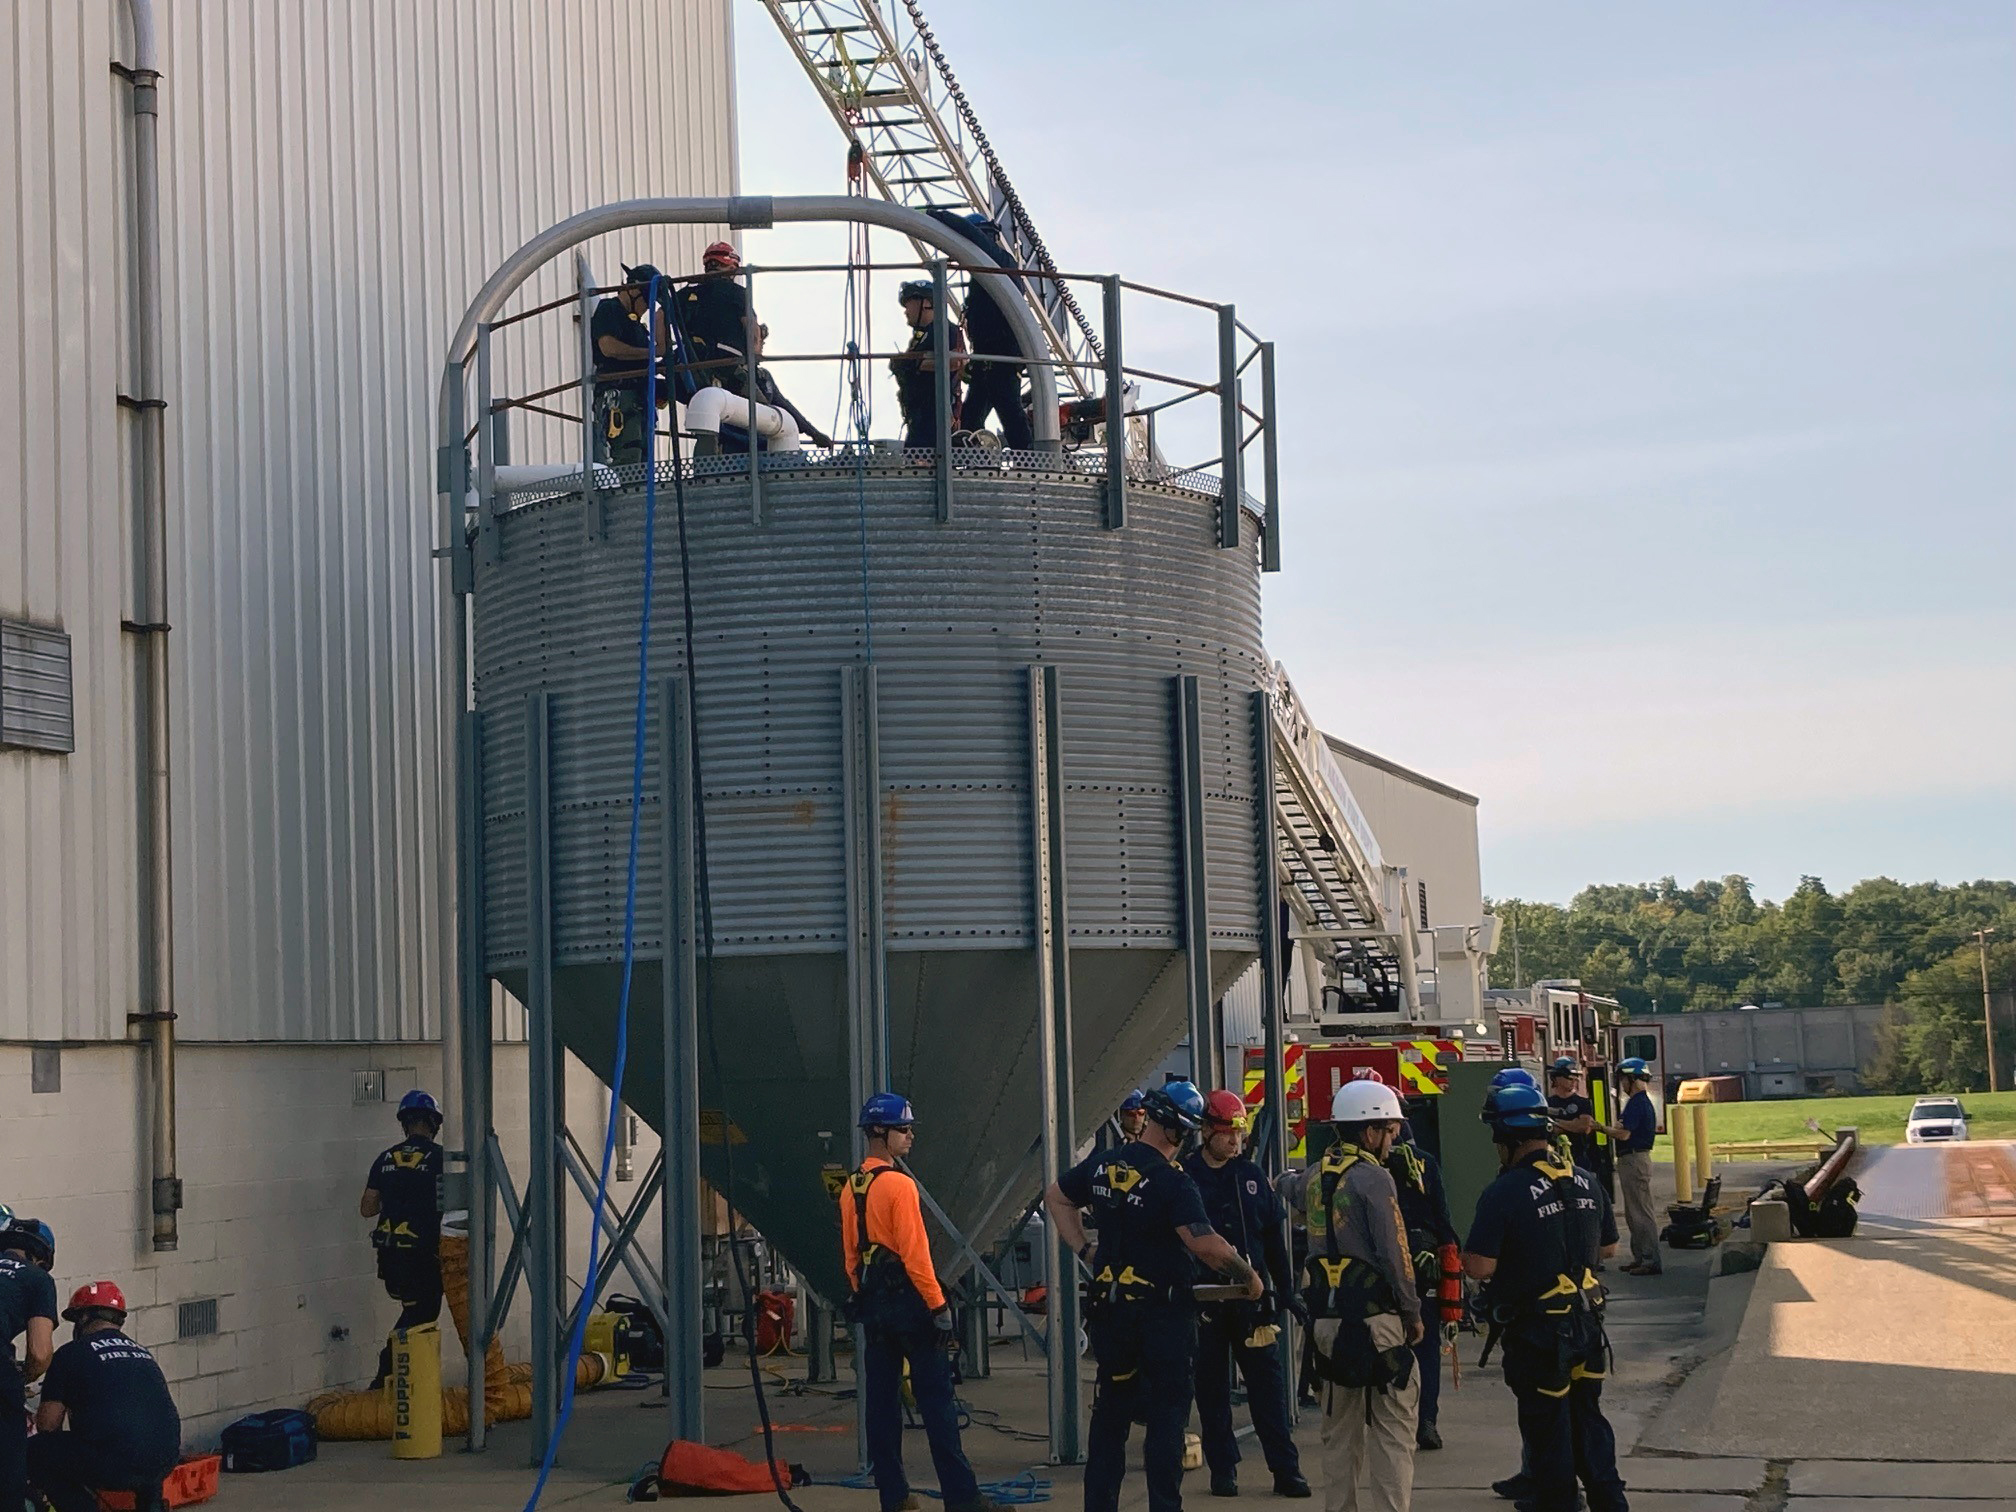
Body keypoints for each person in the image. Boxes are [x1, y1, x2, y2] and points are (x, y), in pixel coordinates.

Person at [1045, 1082, 1264, 1512]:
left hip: (1111, 1313)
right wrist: (1247, 1275)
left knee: (1110, 1416)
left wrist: (1085, 1250)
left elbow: (1056, 1196)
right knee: (1167, 1420)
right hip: (1163, 1318)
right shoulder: (1171, 1181)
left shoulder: (1104, 1166)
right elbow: (1203, 1243)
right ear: (1176, 1131)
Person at [1463, 1085, 1626, 1512]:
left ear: (1506, 1137)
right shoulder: (1586, 1180)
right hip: (1589, 1328)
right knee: (1588, 1420)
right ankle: (1611, 1502)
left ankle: (1559, 1505)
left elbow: (1479, 1266)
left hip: (1538, 1336)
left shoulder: (1504, 1192)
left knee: (1547, 1429)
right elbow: (1609, 1248)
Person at [839, 1093, 998, 1512]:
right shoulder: (899, 1186)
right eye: (904, 1129)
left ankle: (895, 1496)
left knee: (881, 1404)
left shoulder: (851, 1188)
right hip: (911, 1303)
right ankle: (963, 1500)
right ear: (880, 1132)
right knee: (937, 1404)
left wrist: (860, 1295)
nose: (910, 1137)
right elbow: (916, 1256)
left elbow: (851, 1256)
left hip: (874, 1305)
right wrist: (939, 1307)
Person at [1294, 1081, 1422, 1512]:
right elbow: (1395, 1252)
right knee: (1393, 1429)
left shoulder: (1314, 1177)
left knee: (1339, 1433)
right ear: (1369, 1132)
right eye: (1390, 1130)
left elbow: (1283, 1188)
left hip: (1327, 1325)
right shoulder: (1374, 1178)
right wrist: (1413, 1313)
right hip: (1377, 1323)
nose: (1396, 1139)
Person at [1182, 1089, 1310, 1499]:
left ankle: (1285, 1470)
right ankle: (1224, 1471)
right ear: (1206, 1131)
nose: (1235, 1141)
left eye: (1240, 1132)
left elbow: (1273, 1238)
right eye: (1227, 1133)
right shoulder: (1186, 1178)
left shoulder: (1251, 1177)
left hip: (1252, 1303)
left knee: (1268, 1389)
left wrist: (1287, 1290)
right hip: (1205, 1302)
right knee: (1212, 1390)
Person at [29, 1281, 180, 1512]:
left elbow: (48, 1425)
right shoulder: (142, 1352)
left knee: (37, 1451)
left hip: (114, 1463)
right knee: (142, 1445)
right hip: (166, 1458)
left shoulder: (70, 1354)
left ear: (83, 1319)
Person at [361, 1089, 446, 1388]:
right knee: (422, 1314)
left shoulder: (384, 1158)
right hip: (423, 1256)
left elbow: (367, 1208)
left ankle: (402, 1381)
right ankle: (387, 1375)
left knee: (416, 1311)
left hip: (390, 1257)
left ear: (405, 1124)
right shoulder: (441, 1158)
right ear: (433, 1124)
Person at [1389, 1121, 1460, 1451]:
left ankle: (1390, 1421)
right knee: (1427, 1347)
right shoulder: (1425, 1163)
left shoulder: (1364, 1168)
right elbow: (1443, 1218)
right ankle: (1426, 1420)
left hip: (1383, 1269)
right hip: (1425, 1265)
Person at [951, 214, 1034, 450]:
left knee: (1007, 406)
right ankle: (969, 455)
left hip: (1003, 352)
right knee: (973, 413)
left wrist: (930, 215)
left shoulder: (997, 260)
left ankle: (1027, 459)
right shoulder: (986, 272)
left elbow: (971, 234)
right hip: (987, 354)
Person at [0, 1216, 57, 1512]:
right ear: (40, 1257)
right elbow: (39, 1352)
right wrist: (23, 1377)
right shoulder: (37, 1279)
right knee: (8, 1472)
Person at [591, 263, 664, 465]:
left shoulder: (638, 327)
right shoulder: (610, 309)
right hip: (620, 397)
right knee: (628, 457)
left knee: (643, 461)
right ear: (632, 290)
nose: (648, 308)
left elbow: (659, 352)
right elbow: (609, 347)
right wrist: (649, 353)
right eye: (647, 301)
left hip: (640, 399)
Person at [722, 324, 832, 451]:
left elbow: (784, 405)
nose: (761, 345)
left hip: (764, 440)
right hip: (739, 442)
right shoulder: (733, 374)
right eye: (757, 340)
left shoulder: (764, 377)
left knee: (794, 452)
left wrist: (813, 433)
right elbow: (761, 403)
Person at [891, 280, 967, 450]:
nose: (905, 311)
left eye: (909, 304)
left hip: (935, 418)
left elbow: (957, 361)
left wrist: (915, 363)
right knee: (913, 459)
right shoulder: (922, 337)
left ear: (926, 303)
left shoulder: (946, 330)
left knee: (920, 461)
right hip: (919, 415)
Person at [678, 241, 751, 386]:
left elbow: (660, 317)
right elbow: (750, 326)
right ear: (731, 267)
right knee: (765, 401)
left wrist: (662, 350)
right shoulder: (737, 292)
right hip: (730, 363)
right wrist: (753, 360)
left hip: (692, 363)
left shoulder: (687, 292)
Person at [1613, 1060, 1662, 1277]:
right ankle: (1640, 1256)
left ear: (1632, 1079)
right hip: (1632, 1159)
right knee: (1634, 1212)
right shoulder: (1638, 1102)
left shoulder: (1637, 1103)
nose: (1622, 1084)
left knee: (1641, 1211)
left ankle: (1650, 1259)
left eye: (1624, 1079)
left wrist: (1601, 1128)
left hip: (1635, 1159)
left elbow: (1624, 1134)